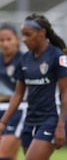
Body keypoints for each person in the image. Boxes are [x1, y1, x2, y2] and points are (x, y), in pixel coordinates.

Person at [0, 13, 67, 160]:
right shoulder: (25, 59)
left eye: (28, 35)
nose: (24, 39)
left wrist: (61, 125)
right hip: (30, 119)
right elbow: (18, 95)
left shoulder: (57, 57)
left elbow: (65, 94)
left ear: (42, 33)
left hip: (50, 119)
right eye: (23, 35)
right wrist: (3, 122)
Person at [0, 23, 26, 160]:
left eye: (9, 39)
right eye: (1, 40)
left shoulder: (24, 60)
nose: (5, 43)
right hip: (1, 108)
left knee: (3, 154)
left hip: (18, 109)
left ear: (17, 39)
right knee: (9, 155)